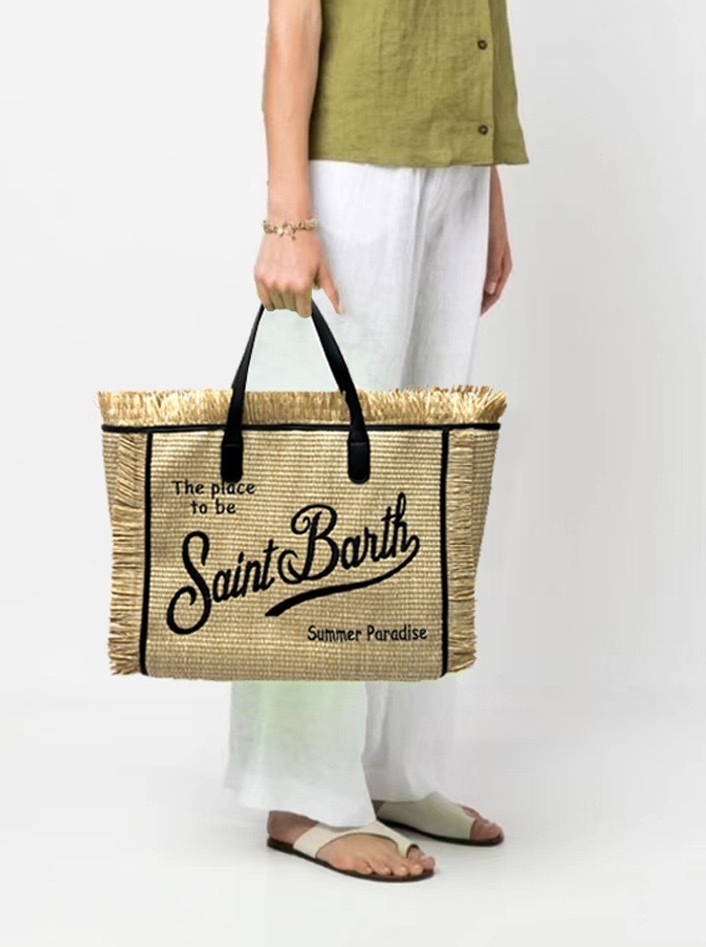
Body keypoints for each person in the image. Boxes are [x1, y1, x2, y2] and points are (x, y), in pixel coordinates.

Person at [223, 0, 529, 882]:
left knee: (425, 486)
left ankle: (396, 769)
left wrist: (484, 178)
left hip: (454, 167)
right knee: (326, 486)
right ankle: (302, 793)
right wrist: (287, 216)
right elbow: (294, 19)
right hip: (355, 172)